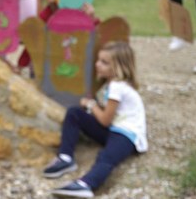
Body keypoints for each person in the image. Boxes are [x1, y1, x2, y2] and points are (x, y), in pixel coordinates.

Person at [44, 41, 147, 198]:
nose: (97, 65)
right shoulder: (111, 84)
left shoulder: (117, 87)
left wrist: (91, 105)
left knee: (106, 156)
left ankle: (86, 184)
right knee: (74, 113)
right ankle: (65, 157)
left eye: (104, 63)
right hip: (114, 129)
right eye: (98, 60)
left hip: (127, 135)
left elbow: (105, 120)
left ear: (119, 67)